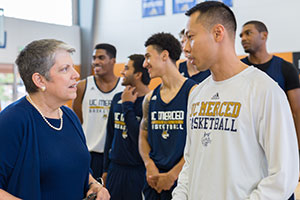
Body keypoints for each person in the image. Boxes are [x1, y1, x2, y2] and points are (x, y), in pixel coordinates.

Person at [172, 1, 299, 199]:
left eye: (191, 37)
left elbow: (283, 176)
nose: (186, 48)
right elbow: (190, 162)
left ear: (217, 33)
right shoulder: (197, 94)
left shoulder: (264, 90)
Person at [0, 39, 110, 200]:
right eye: (65, 69)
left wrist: (95, 185)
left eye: (72, 67)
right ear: (39, 80)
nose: (76, 75)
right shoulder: (13, 120)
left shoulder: (69, 116)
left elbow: (78, 168)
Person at [139, 32, 196, 200]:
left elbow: (199, 144)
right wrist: (149, 165)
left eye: (148, 57)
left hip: (183, 181)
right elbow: (143, 136)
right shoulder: (150, 98)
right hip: (154, 180)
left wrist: (173, 174)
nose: (145, 64)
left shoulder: (193, 92)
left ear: (164, 55)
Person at [240, 20, 300, 151]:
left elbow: (296, 112)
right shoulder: (238, 68)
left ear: (264, 35)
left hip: (277, 141)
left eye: (248, 33)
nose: (243, 38)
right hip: (245, 142)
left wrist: (296, 148)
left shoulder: (286, 68)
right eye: (241, 36)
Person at [72, 43, 124, 179]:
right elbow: (78, 120)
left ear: (113, 61)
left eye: (101, 58)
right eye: (94, 58)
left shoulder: (124, 88)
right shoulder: (82, 86)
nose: (96, 62)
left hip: (114, 156)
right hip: (88, 153)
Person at [103, 54, 150, 200]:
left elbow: (138, 136)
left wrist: (128, 105)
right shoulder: (118, 98)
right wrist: (105, 169)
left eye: (126, 68)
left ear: (138, 74)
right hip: (115, 169)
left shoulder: (150, 101)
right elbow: (110, 134)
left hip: (137, 171)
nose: (122, 72)